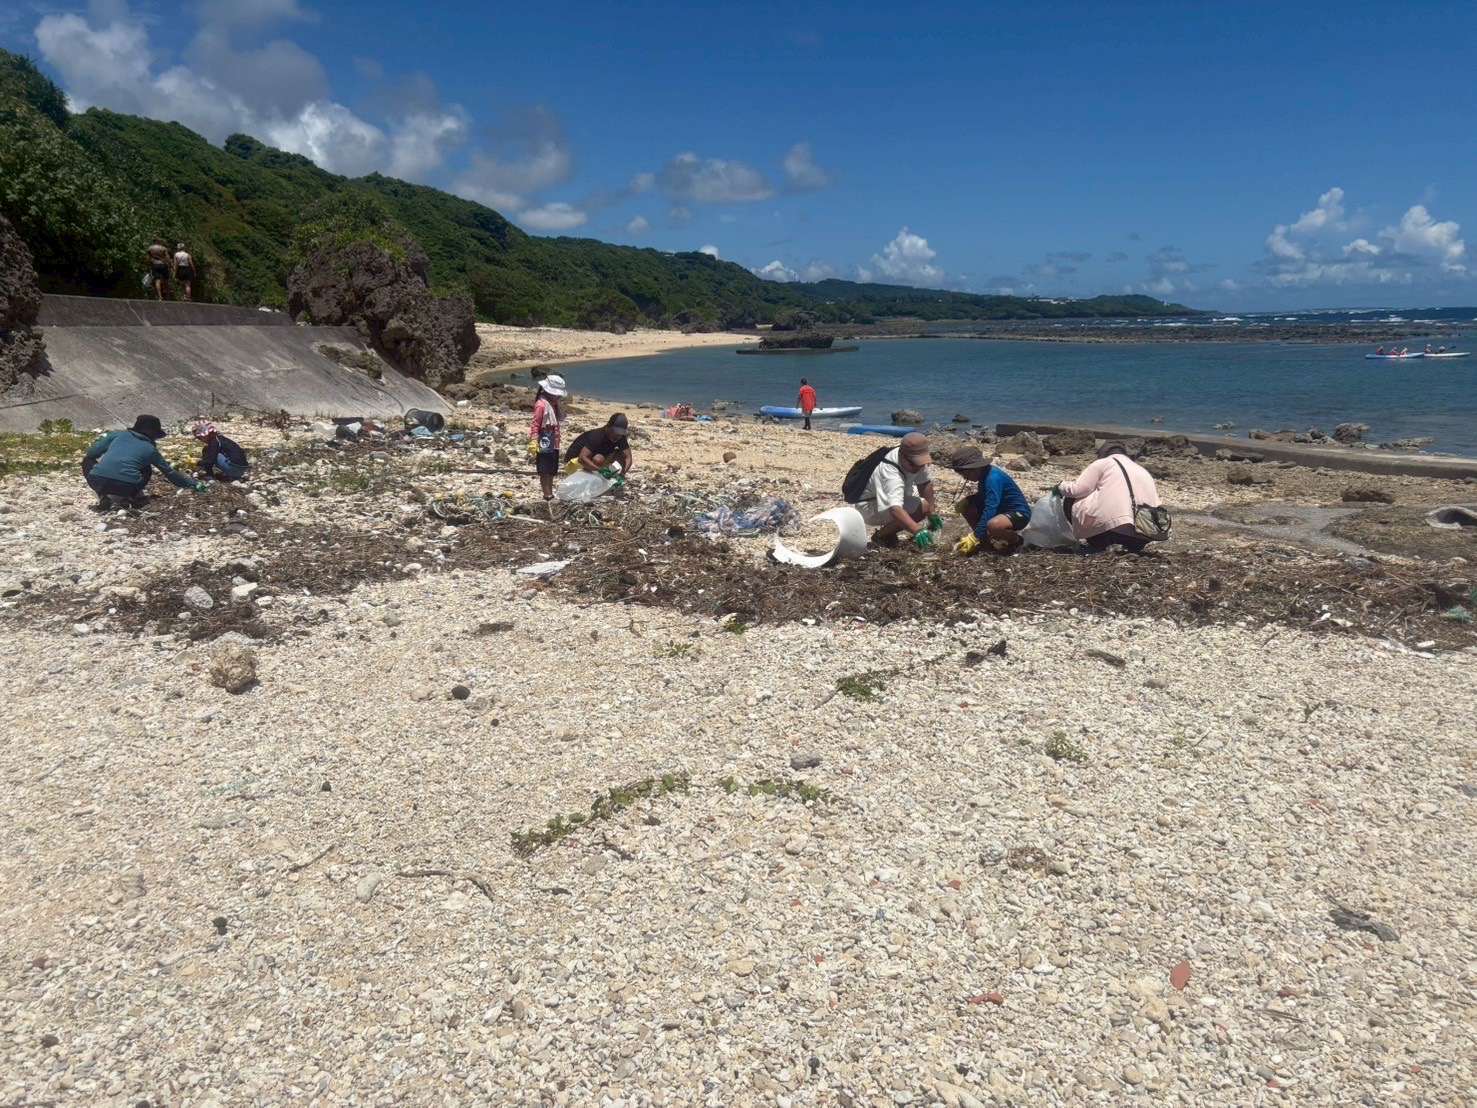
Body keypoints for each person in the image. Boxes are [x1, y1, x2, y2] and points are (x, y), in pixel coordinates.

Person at [1055, 441, 1163, 554]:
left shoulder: (1102, 463)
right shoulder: (1142, 470)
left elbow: (1078, 490)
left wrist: (1059, 486)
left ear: (1103, 454)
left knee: (1071, 499)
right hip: (1144, 534)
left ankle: (1095, 541)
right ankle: (1130, 545)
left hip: (1111, 533)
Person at [82, 415, 205, 509]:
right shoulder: (151, 450)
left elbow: (92, 454)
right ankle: (128, 497)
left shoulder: (116, 435)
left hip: (98, 481)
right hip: (127, 486)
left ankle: (103, 496)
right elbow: (170, 473)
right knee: (146, 468)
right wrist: (193, 484)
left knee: (87, 461)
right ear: (154, 436)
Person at [855, 432, 939, 548]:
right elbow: (895, 509)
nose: (918, 467)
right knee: (922, 507)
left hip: (896, 493)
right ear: (902, 456)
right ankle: (881, 536)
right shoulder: (890, 473)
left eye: (921, 463)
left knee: (927, 506)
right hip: (870, 506)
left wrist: (932, 512)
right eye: (914, 464)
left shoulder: (914, 458)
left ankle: (889, 531)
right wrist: (917, 530)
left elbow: (925, 483)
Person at [947, 446, 1032, 555]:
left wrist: (975, 536)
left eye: (965, 474)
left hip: (1019, 514)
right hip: (1001, 510)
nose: (964, 478)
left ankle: (1016, 541)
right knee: (967, 508)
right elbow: (984, 496)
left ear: (975, 468)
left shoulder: (992, 479)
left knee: (993, 526)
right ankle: (985, 545)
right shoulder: (983, 474)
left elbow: (990, 508)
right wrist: (969, 500)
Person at [527, 373, 568, 500]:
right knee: (544, 469)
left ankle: (550, 493)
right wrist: (534, 440)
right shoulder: (541, 405)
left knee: (551, 469)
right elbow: (535, 423)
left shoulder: (554, 405)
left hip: (553, 441)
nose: (558, 397)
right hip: (544, 439)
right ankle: (547, 494)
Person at [564, 413, 633, 476]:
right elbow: (581, 459)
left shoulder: (620, 437)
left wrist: (623, 473)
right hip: (572, 465)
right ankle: (589, 479)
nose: (618, 436)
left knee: (621, 455)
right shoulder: (597, 436)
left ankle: (613, 476)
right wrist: (599, 470)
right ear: (608, 427)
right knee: (599, 458)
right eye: (615, 432)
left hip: (591, 462)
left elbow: (628, 458)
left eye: (620, 433)